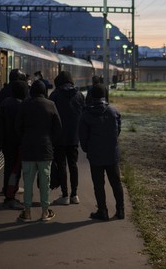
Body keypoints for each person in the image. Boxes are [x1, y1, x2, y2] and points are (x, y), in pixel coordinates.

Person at [15, 80, 62, 222]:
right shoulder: (51, 105)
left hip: (28, 149)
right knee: (44, 182)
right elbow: (58, 128)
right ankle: (45, 212)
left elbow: (17, 126)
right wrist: (50, 140)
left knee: (27, 182)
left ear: (32, 91)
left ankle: (27, 212)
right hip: (45, 149)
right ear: (44, 91)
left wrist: (24, 139)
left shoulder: (24, 105)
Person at [79, 83, 124, 221]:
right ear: (104, 95)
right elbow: (118, 131)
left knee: (99, 184)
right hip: (112, 153)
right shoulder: (114, 111)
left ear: (91, 96)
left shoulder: (86, 114)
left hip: (95, 154)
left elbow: (83, 136)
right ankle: (120, 211)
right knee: (116, 183)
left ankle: (102, 211)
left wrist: (87, 149)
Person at [48, 71, 85, 205]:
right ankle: (74, 195)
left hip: (59, 137)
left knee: (62, 165)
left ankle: (65, 195)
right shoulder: (79, 95)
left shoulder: (55, 95)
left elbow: (50, 116)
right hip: (74, 137)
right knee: (73, 165)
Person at [0, 80, 28, 210]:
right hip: (16, 144)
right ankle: (10, 197)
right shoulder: (21, 106)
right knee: (14, 171)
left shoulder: (5, 102)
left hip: (6, 142)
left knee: (8, 169)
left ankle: (8, 191)